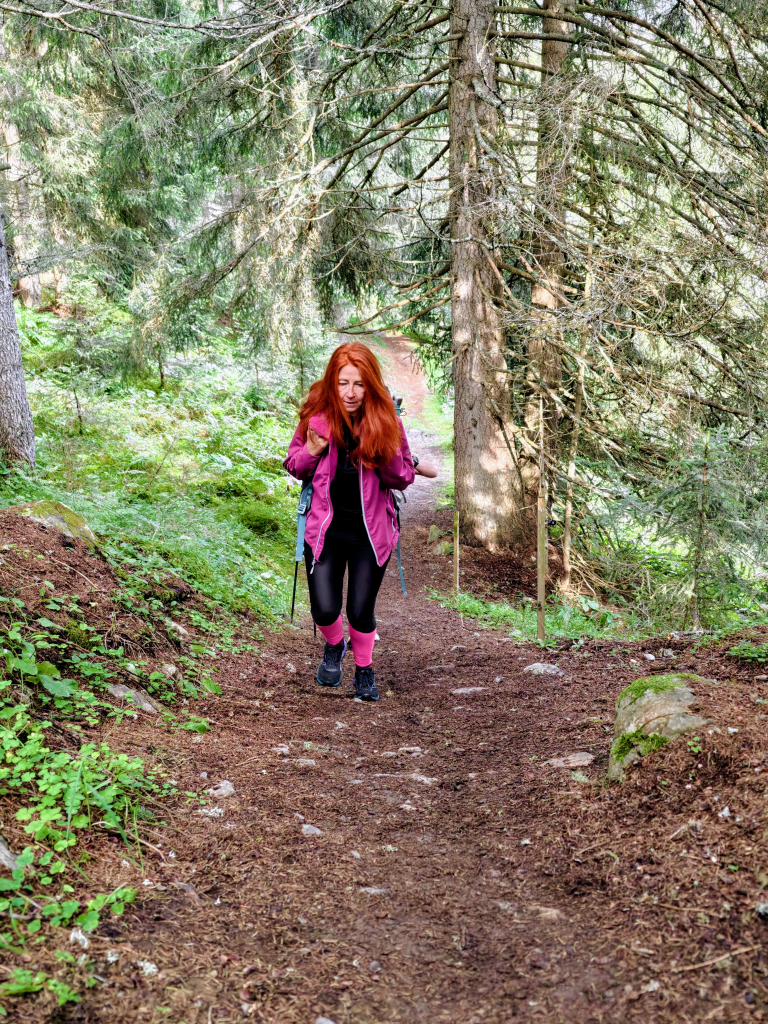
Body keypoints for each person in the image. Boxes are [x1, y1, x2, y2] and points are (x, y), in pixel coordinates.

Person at [283, 341, 436, 702]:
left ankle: (364, 671)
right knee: (323, 608)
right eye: (343, 383)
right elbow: (293, 465)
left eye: (359, 384)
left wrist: (380, 454)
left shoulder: (387, 421)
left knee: (359, 610)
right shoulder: (316, 419)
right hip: (325, 531)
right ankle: (334, 646)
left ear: (370, 385)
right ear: (332, 383)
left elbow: (402, 477)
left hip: (371, 533)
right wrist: (313, 451)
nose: (350, 393)